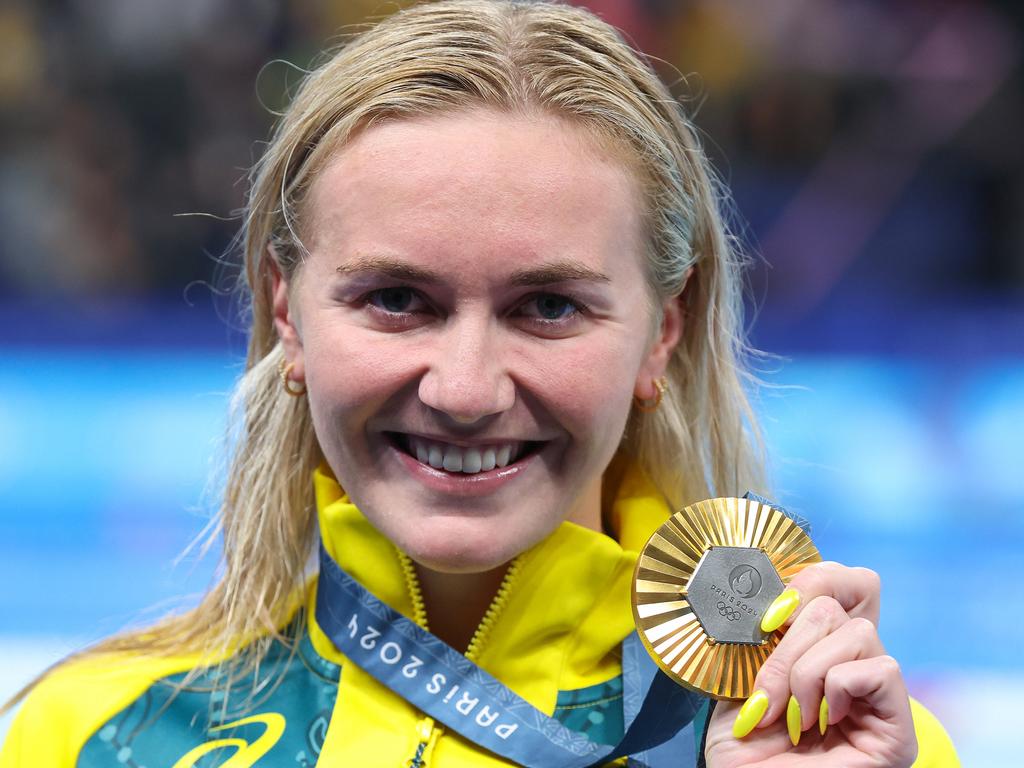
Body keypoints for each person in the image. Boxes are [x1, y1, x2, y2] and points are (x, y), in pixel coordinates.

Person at [0, 1, 958, 766]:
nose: (464, 390)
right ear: (286, 314)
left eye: (547, 308)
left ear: (664, 332)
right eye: (396, 299)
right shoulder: (93, 736)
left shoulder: (841, 741)